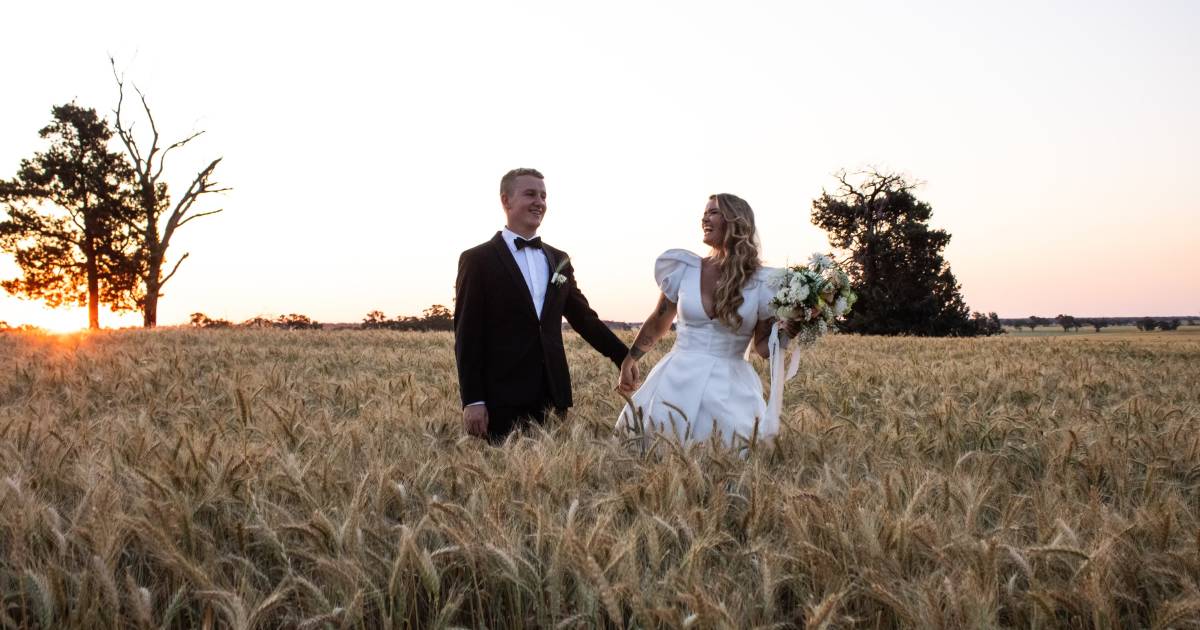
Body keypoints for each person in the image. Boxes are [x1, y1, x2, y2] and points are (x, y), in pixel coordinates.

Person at [454, 168, 629, 442]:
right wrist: (473, 399)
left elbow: (584, 319)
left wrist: (624, 356)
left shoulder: (559, 259)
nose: (540, 202)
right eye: (530, 194)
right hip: (501, 398)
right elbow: (467, 334)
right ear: (506, 201)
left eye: (544, 196)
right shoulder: (477, 260)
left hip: (553, 396)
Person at [616, 193, 795, 446]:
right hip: (675, 380)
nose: (704, 218)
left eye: (713, 212)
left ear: (735, 221)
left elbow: (762, 348)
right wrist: (630, 359)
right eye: (704, 212)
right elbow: (659, 319)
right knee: (657, 451)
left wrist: (791, 330)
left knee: (729, 455)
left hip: (730, 389)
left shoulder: (763, 282)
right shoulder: (683, 268)